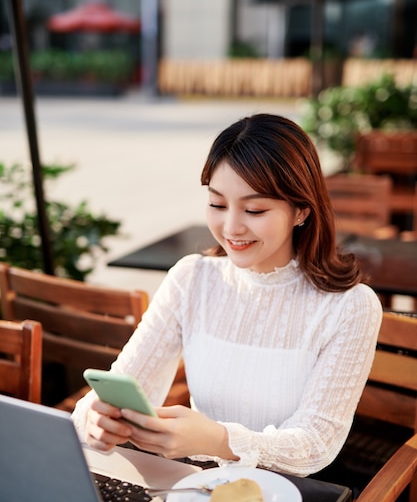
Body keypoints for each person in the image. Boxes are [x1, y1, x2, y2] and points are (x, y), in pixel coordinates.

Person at [72, 113, 382, 476]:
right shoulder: (191, 279)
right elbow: (123, 383)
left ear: (301, 211)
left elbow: (314, 445)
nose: (231, 227)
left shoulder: (350, 307)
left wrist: (218, 441)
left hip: (291, 499)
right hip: (196, 488)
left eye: (254, 209)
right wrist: (94, 416)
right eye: (217, 204)